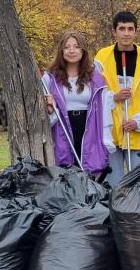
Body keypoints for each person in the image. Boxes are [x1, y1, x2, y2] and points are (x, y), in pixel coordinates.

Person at [93, 11, 140, 186]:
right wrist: (114, 97)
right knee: (114, 187)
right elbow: (95, 94)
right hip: (110, 135)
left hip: (138, 135)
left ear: (136, 31)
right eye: (122, 29)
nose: (126, 33)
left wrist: (139, 121)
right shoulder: (101, 59)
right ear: (114, 31)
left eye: (130, 29)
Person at [43, 32, 114, 177]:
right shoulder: (49, 79)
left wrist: (106, 140)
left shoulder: (96, 78)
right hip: (62, 130)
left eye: (76, 46)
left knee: (89, 175)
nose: (71, 50)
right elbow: (45, 115)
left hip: (89, 129)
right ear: (61, 51)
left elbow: (105, 110)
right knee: (66, 175)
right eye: (67, 47)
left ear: (83, 50)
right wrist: (51, 109)